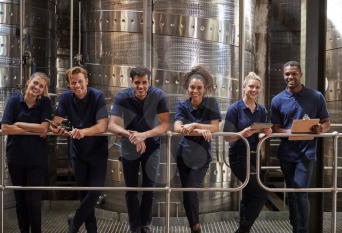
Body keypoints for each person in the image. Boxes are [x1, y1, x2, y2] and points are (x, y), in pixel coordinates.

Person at [271, 61, 330, 233]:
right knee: (291, 192)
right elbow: (275, 127)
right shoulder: (277, 100)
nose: (290, 77)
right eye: (287, 74)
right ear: (284, 75)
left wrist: (321, 129)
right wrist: (290, 131)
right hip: (286, 154)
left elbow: (326, 122)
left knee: (300, 190)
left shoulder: (316, 96)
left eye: (293, 73)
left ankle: (301, 229)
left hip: (306, 153)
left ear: (300, 74)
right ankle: (295, 224)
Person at [107, 67, 169, 233]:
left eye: (144, 82)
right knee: (131, 189)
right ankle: (135, 227)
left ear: (149, 82)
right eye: (137, 82)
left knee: (150, 188)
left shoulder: (158, 96)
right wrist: (133, 137)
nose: (140, 86)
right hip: (129, 146)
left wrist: (144, 135)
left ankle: (145, 225)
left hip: (152, 146)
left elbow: (165, 124)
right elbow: (111, 125)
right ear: (131, 82)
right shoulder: (122, 96)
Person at [52, 66, 108, 233]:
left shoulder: (97, 96)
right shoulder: (66, 98)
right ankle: (92, 230)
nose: (77, 85)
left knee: (95, 191)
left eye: (80, 81)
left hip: (97, 152)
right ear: (69, 84)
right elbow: (56, 122)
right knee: (85, 194)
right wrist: (58, 129)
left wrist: (82, 132)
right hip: (78, 153)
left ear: (87, 81)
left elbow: (102, 126)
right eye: (73, 82)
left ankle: (74, 222)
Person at [1, 72, 52, 233]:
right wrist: (34, 127)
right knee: (20, 200)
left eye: (41, 86)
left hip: (37, 160)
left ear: (44, 90)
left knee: (34, 201)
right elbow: (5, 127)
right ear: (28, 81)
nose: (37, 87)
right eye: (35, 83)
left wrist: (20, 124)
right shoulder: (14, 100)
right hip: (15, 159)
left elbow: (44, 128)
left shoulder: (45, 103)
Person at [174, 66, 221, 233]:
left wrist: (194, 125)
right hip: (183, 154)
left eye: (199, 88)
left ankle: (196, 227)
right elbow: (178, 127)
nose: (195, 91)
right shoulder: (182, 104)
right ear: (188, 88)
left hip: (201, 156)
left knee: (191, 188)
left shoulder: (211, 103)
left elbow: (215, 127)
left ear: (205, 89)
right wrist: (201, 131)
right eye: (192, 87)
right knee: (187, 192)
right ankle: (194, 226)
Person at [223, 72, 271, 233]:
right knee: (261, 194)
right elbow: (227, 137)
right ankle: (242, 230)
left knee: (249, 195)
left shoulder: (262, 110)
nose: (254, 90)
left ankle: (244, 229)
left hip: (254, 156)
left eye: (257, 87)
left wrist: (267, 132)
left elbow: (261, 134)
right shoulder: (234, 109)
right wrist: (242, 133)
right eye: (251, 86)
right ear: (244, 88)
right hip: (238, 156)